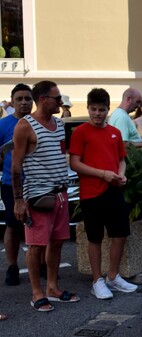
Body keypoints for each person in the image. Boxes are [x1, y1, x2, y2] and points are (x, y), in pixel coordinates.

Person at [11, 80, 79, 312]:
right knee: (36, 246)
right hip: (38, 196)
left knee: (58, 242)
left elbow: (59, 155)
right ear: (43, 100)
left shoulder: (59, 125)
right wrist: (19, 200)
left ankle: (52, 287)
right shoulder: (24, 126)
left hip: (60, 195)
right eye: (57, 98)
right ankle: (36, 292)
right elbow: (16, 166)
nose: (60, 102)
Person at [69, 88, 138, 300]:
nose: (97, 114)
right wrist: (103, 174)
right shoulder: (80, 132)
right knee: (95, 237)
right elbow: (75, 163)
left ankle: (113, 276)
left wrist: (121, 175)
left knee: (120, 234)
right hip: (91, 193)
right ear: (88, 108)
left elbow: (121, 159)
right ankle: (97, 280)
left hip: (114, 190)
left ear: (108, 109)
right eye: (93, 109)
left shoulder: (114, 133)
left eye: (101, 110)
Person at [0, 84, 33, 286]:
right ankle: (12, 266)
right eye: (19, 99)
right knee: (13, 224)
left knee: (39, 225)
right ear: (12, 101)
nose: (23, 102)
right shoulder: (3, 125)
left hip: (39, 183)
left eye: (27, 99)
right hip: (11, 184)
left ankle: (41, 264)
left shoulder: (41, 123)